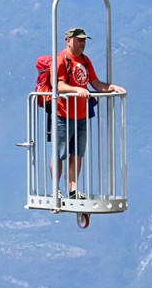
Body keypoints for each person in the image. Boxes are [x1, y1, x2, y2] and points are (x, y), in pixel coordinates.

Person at [50, 28, 125, 199]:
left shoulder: (85, 61)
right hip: (63, 114)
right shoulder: (61, 60)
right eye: (78, 40)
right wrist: (76, 89)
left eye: (84, 40)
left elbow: (96, 83)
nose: (82, 44)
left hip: (81, 115)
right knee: (60, 153)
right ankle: (56, 189)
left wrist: (111, 87)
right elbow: (58, 86)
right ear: (68, 40)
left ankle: (73, 189)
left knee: (77, 154)